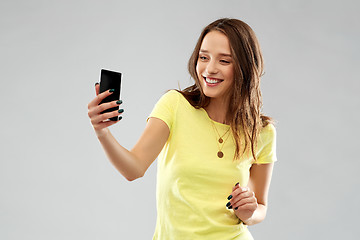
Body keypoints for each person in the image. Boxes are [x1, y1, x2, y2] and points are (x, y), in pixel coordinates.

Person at [87, 18, 277, 240]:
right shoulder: (175, 105)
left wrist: (249, 212)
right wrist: (102, 132)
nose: (210, 69)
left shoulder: (262, 131)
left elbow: (261, 206)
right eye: (203, 57)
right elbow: (133, 169)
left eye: (224, 61)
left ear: (245, 67)